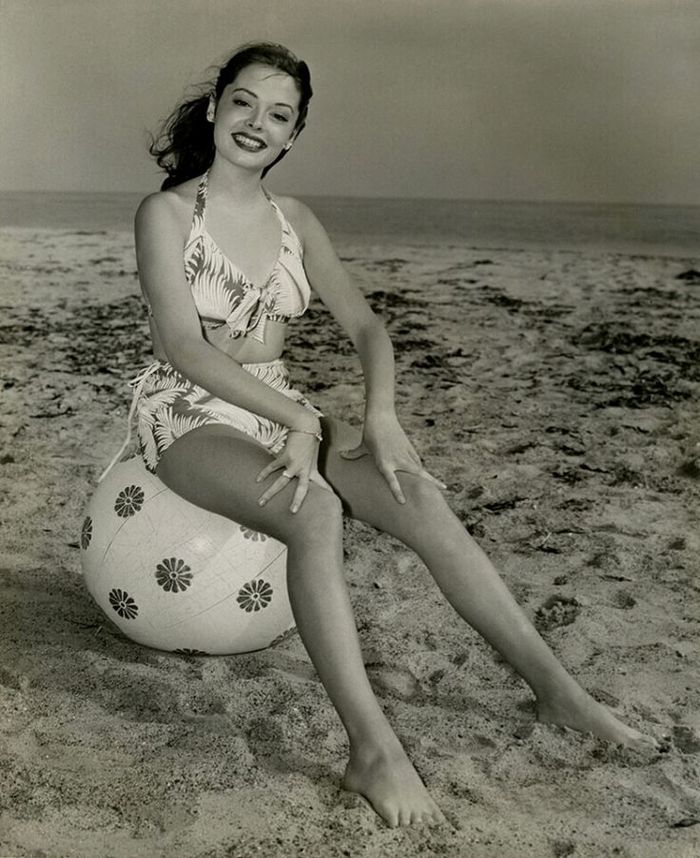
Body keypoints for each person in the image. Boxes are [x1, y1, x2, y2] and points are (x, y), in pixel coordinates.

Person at [130, 42, 656, 828]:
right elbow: (183, 346)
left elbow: (368, 327)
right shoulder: (167, 214)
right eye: (243, 102)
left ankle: (560, 695)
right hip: (188, 413)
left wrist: (380, 417)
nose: (256, 123)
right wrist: (303, 421)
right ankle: (373, 752)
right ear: (214, 108)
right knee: (314, 510)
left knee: (418, 495)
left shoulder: (295, 220)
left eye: (279, 115)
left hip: (280, 403)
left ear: (294, 135)